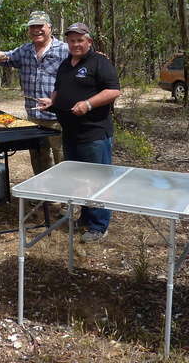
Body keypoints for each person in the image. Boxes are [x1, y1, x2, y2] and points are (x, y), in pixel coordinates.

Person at [37, 22, 121, 243]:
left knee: (97, 180)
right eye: (72, 40)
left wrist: (88, 104)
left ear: (89, 42)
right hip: (70, 132)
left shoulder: (99, 62)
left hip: (94, 134)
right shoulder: (65, 64)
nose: (75, 44)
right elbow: (59, 88)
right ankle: (85, 218)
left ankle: (99, 225)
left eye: (79, 40)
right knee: (80, 179)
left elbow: (113, 90)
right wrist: (51, 101)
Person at [0, 11, 68, 175]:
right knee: (39, 158)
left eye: (40, 26)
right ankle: (43, 196)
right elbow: (8, 57)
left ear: (50, 28)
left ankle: (63, 198)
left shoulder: (64, 50)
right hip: (33, 118)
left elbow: (83, 63)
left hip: (58, 118)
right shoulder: (25, 50)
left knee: (62, 159)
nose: (36, 30)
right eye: (32, 26)